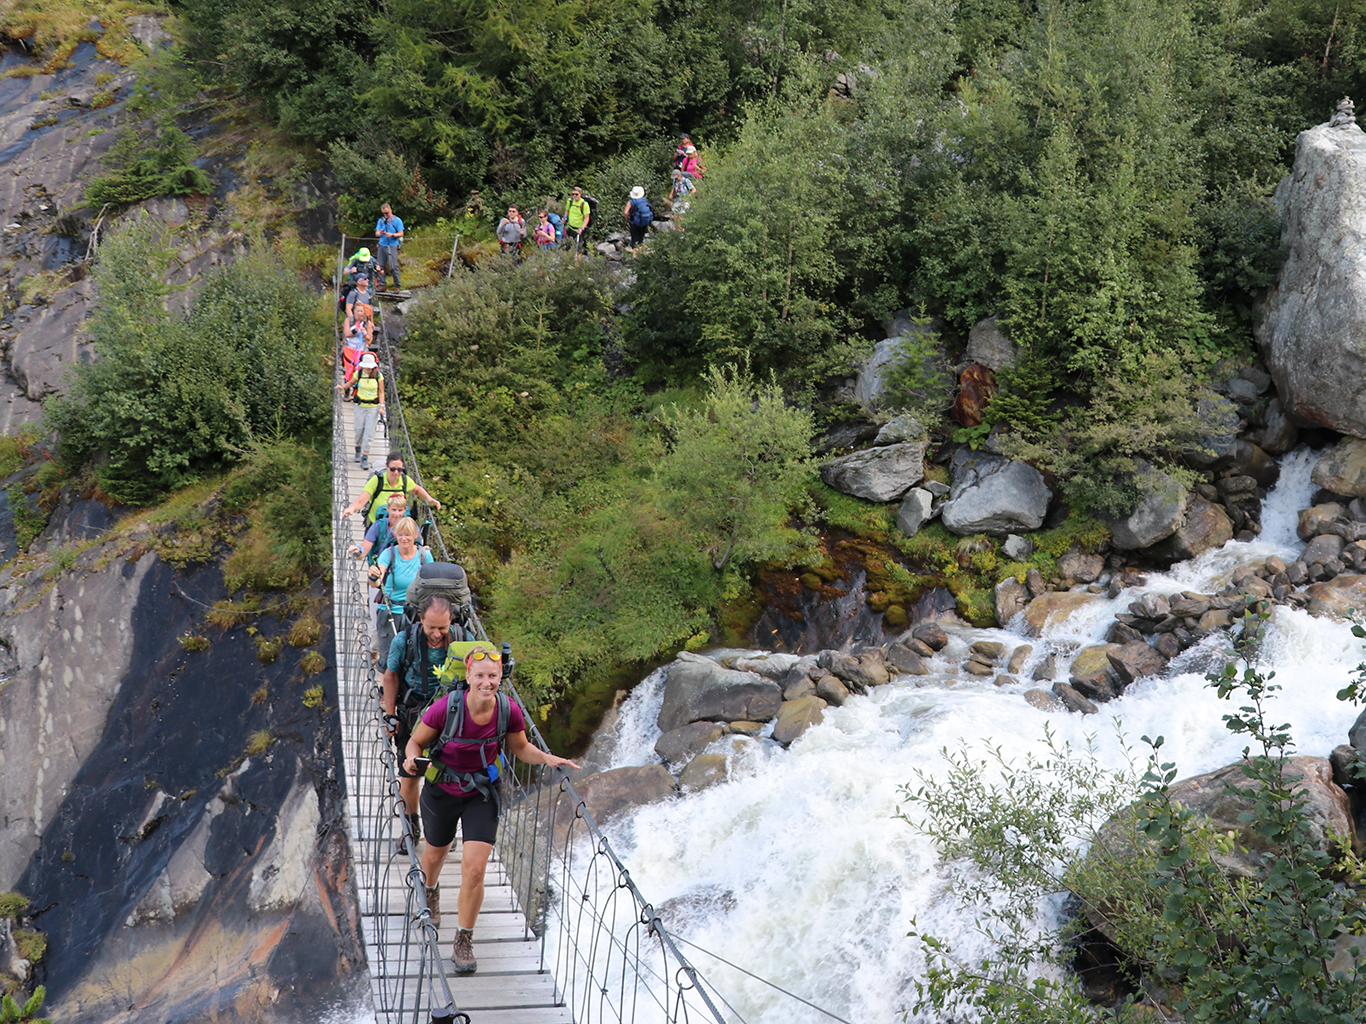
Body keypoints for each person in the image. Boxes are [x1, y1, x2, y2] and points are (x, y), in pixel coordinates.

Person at [403, 644, 580, 973]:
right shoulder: (446, 708)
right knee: (435, 854)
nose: (487, 682)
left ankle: (464, 939)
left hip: (481, 793)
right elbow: (416, 740)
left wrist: (547, 757)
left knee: (474, 869)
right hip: (441, 789)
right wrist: (412, 757)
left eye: (494, 676)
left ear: (502, 677)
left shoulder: (507, 710)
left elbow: (521, 748)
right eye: (481, 675)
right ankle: (430, 890)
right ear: (468, 675)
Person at [382, 596, 459, 857]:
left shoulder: (463, 639)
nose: (437, 634)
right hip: (412, 715)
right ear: (421, 620)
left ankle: (443, 830)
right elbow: (390, 676)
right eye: (431, 628)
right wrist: (389, 715)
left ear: (452, 622)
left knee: (448, 776)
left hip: (451, 717)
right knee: (411, 773)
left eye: (443, 628)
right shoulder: (403, 641)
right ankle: (411, 827)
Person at [372, 515, 434, 657]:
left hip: (415, 612)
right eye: (400, 535)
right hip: (390, 611)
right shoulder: (388, 554)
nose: (404, 538)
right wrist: (374, 577)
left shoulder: (425, 556)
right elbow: (377, 581)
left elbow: (432, 583)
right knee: (388, 657)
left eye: (408, 535)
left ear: (415, 535)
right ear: (395, 535)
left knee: (413, 656)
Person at [343, 452, 443, 525]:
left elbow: (417, 490)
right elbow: (361, 501)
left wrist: (429, 499)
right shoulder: (377, 480)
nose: (396, 472)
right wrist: (351, 508)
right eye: (392, 469)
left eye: (400, 470)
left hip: (398, 528)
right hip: (376, 527)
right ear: (386, 467)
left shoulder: (404, 480)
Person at [347, 353, 385, 466]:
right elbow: (351, 382)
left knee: (369, 432)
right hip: (360, 406)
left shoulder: (379, 376)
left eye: (369, 366)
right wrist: (343, 387)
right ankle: (358, 449)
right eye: (365, 366)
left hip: (373, 407)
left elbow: (381, 392)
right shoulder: (358, 374)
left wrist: (381, 406)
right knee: (359, 429)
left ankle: (365, 457)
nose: (367, 369)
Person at [375, 204, 404, 291]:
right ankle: (382, 284)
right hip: (382, 245)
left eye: (386, 213)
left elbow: (401, 233)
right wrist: (381, 232)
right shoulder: (381, 221)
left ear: (390, 210)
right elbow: (376, 233)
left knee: (393, 266)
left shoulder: (397, 220)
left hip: (392, 245)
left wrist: (392, 235)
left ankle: (397, 285)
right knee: (380, 266)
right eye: (383, 213)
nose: (385, 215)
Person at [623, 186, 653, 257]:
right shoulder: (644, 200)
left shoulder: (631, 201)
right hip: (644, 222)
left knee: (635, 240)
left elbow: (625, 212)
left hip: (635, 223)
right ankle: (641, 256)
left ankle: (635, 258)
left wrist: (627, 220)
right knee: (641, 239)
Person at [565, 187, 591, 261]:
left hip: (579, 230)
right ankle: (568, 263)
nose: (574, 196)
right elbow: (567, 210)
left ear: (580, 194)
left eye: (576, 194)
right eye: (573, 194)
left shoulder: (584, 204)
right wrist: (565, 217)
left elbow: (587, 218)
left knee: (579, 249)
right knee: (568, 247)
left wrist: (582, 228)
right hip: (570, 228)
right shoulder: (570, 201)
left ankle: (577, 267)